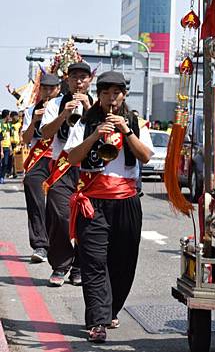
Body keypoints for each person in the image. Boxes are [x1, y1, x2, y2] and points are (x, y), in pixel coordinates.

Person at [65, 71, 154, 343]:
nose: (110, 98)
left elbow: (146, 157)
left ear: (124, 95)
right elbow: (71, 157)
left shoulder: (135, 122)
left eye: (116, 93)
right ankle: (98, 321)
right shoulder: (86, 122)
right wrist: (95, 136)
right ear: (99, 95)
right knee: (93, 262)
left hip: (126, 200)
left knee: (123, 261)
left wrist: (125, 131)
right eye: (105, 93)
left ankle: (111, 309)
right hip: (93, 202)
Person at [40, 61, 94, 287]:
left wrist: (90, 109)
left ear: (90, 80)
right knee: (59, 216)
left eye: (83, 77)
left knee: (86, 219)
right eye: (74, 77)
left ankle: (79, 266)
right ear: (67, 80)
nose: (78, 81)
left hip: (88, 169)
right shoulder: (54, 103)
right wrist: (64, 114)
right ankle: (61, 265)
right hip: (62, 167)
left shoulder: (98, 104)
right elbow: (44, 133)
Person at [22, 73, 62, 263]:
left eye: (51, 89)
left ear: (58, 90)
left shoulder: (66, 106)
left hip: (62, 158)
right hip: (40, 158)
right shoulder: (31, 110)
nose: (47, 92)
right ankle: (40, 244)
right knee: (33, 188)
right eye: (44, 88)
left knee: (60, 204)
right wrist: (34, 121)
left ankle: (63, 244)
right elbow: (26, 139)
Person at [0, 110, 12, 183]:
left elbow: (9, 136)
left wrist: (10, 147)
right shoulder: (0, 123)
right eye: (9, 115)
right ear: (7, 116)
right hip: (1, 146)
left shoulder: (8, 124)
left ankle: (2, 177)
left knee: (5, 163)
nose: (10, 117)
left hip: (7, 146)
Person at [9, 111, 21, 178]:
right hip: (10, 143)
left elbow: (20, 132)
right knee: (12, 159)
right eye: (15, 116)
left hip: (17, 143)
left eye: (17, 116)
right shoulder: (9, 124)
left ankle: (14, 172)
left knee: (16, 158)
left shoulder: (19, 124)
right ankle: (12, 172)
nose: (16, 117)